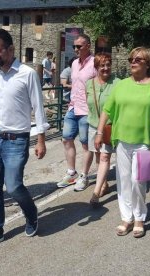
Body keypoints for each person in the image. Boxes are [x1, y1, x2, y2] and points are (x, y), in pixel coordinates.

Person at [0, 29, 49, 251]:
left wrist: (41, 140)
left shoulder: (27, 74)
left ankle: (31, 214)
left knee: (14, 186)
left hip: (17, 141)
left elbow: (39, 109)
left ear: (11, 49)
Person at [95, 47, 150, 238]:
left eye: (137, 59)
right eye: (131, 59)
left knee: (138, 181)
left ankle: (139, 217)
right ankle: (126, 217)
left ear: (148, 63)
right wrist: (98, 132)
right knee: (123, 180)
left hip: (144, 141)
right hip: (121, 140)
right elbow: (107, 110)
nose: (132, 62)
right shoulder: (121, 85)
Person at [57, 34, 97, 190]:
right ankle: (71, 173)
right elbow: (74, 84)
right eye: (74, 46)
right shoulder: (74, 64)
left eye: (79, 46)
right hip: (73, 107)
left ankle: (84, 176)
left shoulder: (95, 63)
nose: (76, 49)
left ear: (88, 45)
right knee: (66, 139)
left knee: (86, 144)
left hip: (87, 110)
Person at [86, 53, 120, 206]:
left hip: (109, 127)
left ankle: (96, 193)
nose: (106, 68)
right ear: (96, 67)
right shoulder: (89, 84)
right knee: (98, 156)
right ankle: (104, 183)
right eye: (102, 66)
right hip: (93, 124)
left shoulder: (118, 83)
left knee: (105, 157)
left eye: (108, 65)